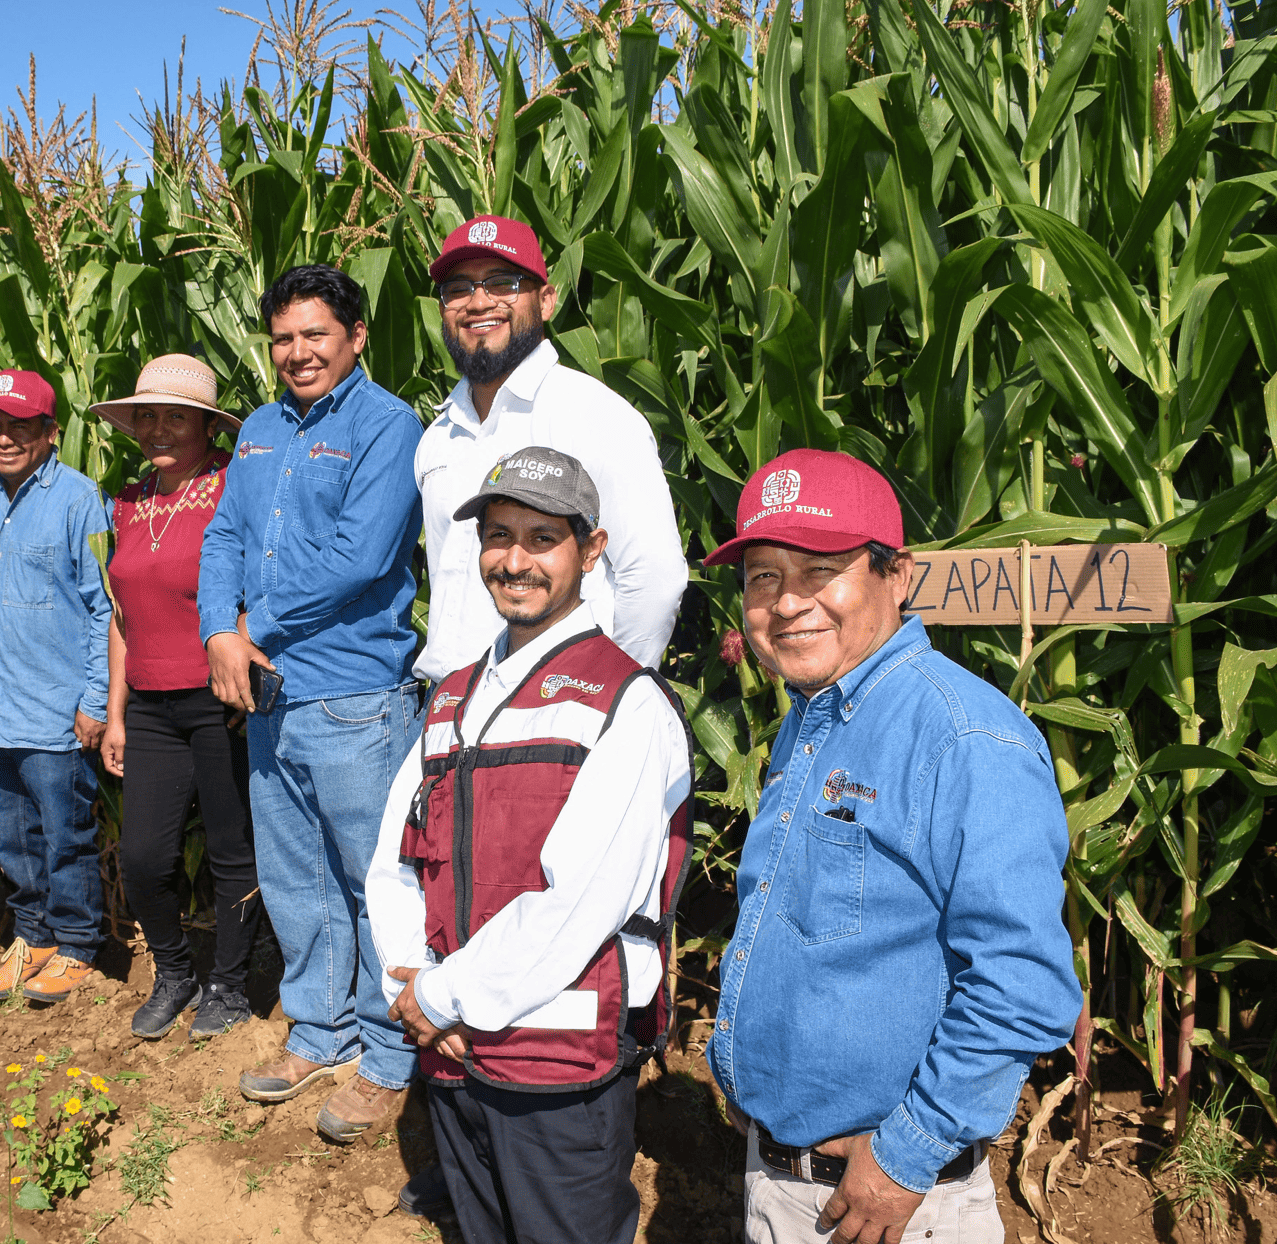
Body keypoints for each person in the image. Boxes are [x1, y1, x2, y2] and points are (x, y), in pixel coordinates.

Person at [703, 448, 1081, 1244]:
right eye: (764, 576)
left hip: (887, 1208)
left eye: (821, 568)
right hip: (782, 1179)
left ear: (896, 575)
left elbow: (1024, 981)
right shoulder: (813, 720)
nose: (788, 602)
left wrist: (906, 1158)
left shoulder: (963, 737)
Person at [369, 447, 693, 1244]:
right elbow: (396, 861)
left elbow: (581, 900)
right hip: (448, 1050)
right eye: (498, 536)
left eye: (542, 538)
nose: (514, 561)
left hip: (557, 1066)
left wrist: (442, 998)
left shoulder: (625, 702)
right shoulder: (452, 698)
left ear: (590, 550)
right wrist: (409, 980)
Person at [196, 264, 425, 1143]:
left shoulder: (386, 424)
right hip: (265, 689)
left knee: (376, 882)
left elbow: (360, 556)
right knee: (296, 878)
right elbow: (223, 534)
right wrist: (221, 628)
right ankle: (320, 1028)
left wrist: (254, 620)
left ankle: (386, 1051)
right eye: (284, 338)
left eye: (315, 336)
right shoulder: (256, 431)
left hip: (355, 694)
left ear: (356, 336)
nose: (298, 353)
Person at [414, 213, 688, 685]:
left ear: (546, 300)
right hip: (448, 712)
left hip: (555, 710)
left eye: (502, 283)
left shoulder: (597, 416)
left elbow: (655, 581)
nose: (478, 301)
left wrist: (605, 701)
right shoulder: (438, 435)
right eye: (458, 288)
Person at [92, 355, 260, 1041]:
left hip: (218, 701)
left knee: (231, 852)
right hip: (153, 705)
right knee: (142, 858)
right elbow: (120, 613)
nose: (157, 427)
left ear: (204, 425)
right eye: (147, 416)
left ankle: (231, 984)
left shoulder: (232, 486)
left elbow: (258, 580)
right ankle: (175, 971)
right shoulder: (128, 503)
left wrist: (242, 659)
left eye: (175, 416)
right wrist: (116, 712)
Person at [0, 370, 114, 1005]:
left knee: (65, 838)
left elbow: (105, 607)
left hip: (56, 711)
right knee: (11, 839)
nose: (3, 438)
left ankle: (78, 944)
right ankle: (34, 938)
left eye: (19, 427)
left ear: (51, 432)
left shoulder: (81, 501)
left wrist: (95, 701)